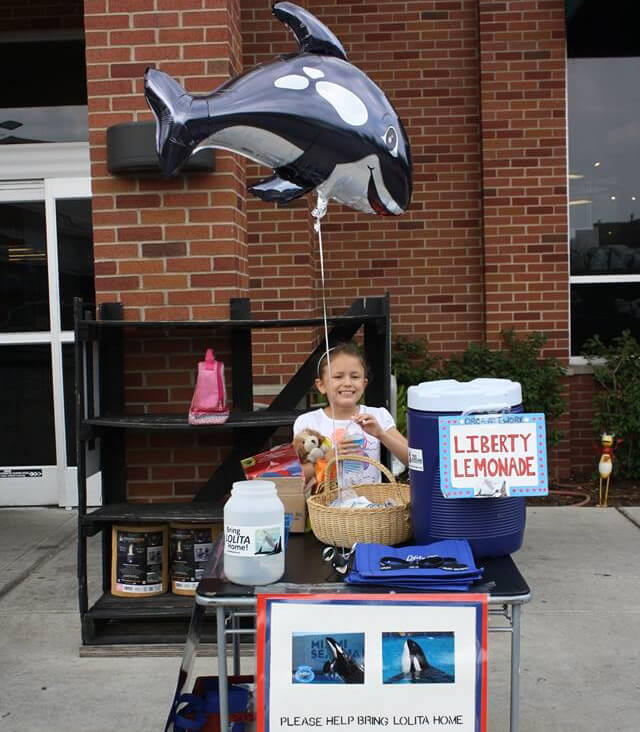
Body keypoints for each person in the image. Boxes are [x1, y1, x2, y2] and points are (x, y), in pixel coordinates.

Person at [293, 342, 408, 489]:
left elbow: (413, 461)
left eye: (355, 377)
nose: (347, 383)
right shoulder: (308, 422)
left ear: (364, 384)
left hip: (371, 507)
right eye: (338, 376)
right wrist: (329, 458)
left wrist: (381, 435)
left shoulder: (377, 415)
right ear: (321, 385)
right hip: (326, 509)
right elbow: (296, 477)